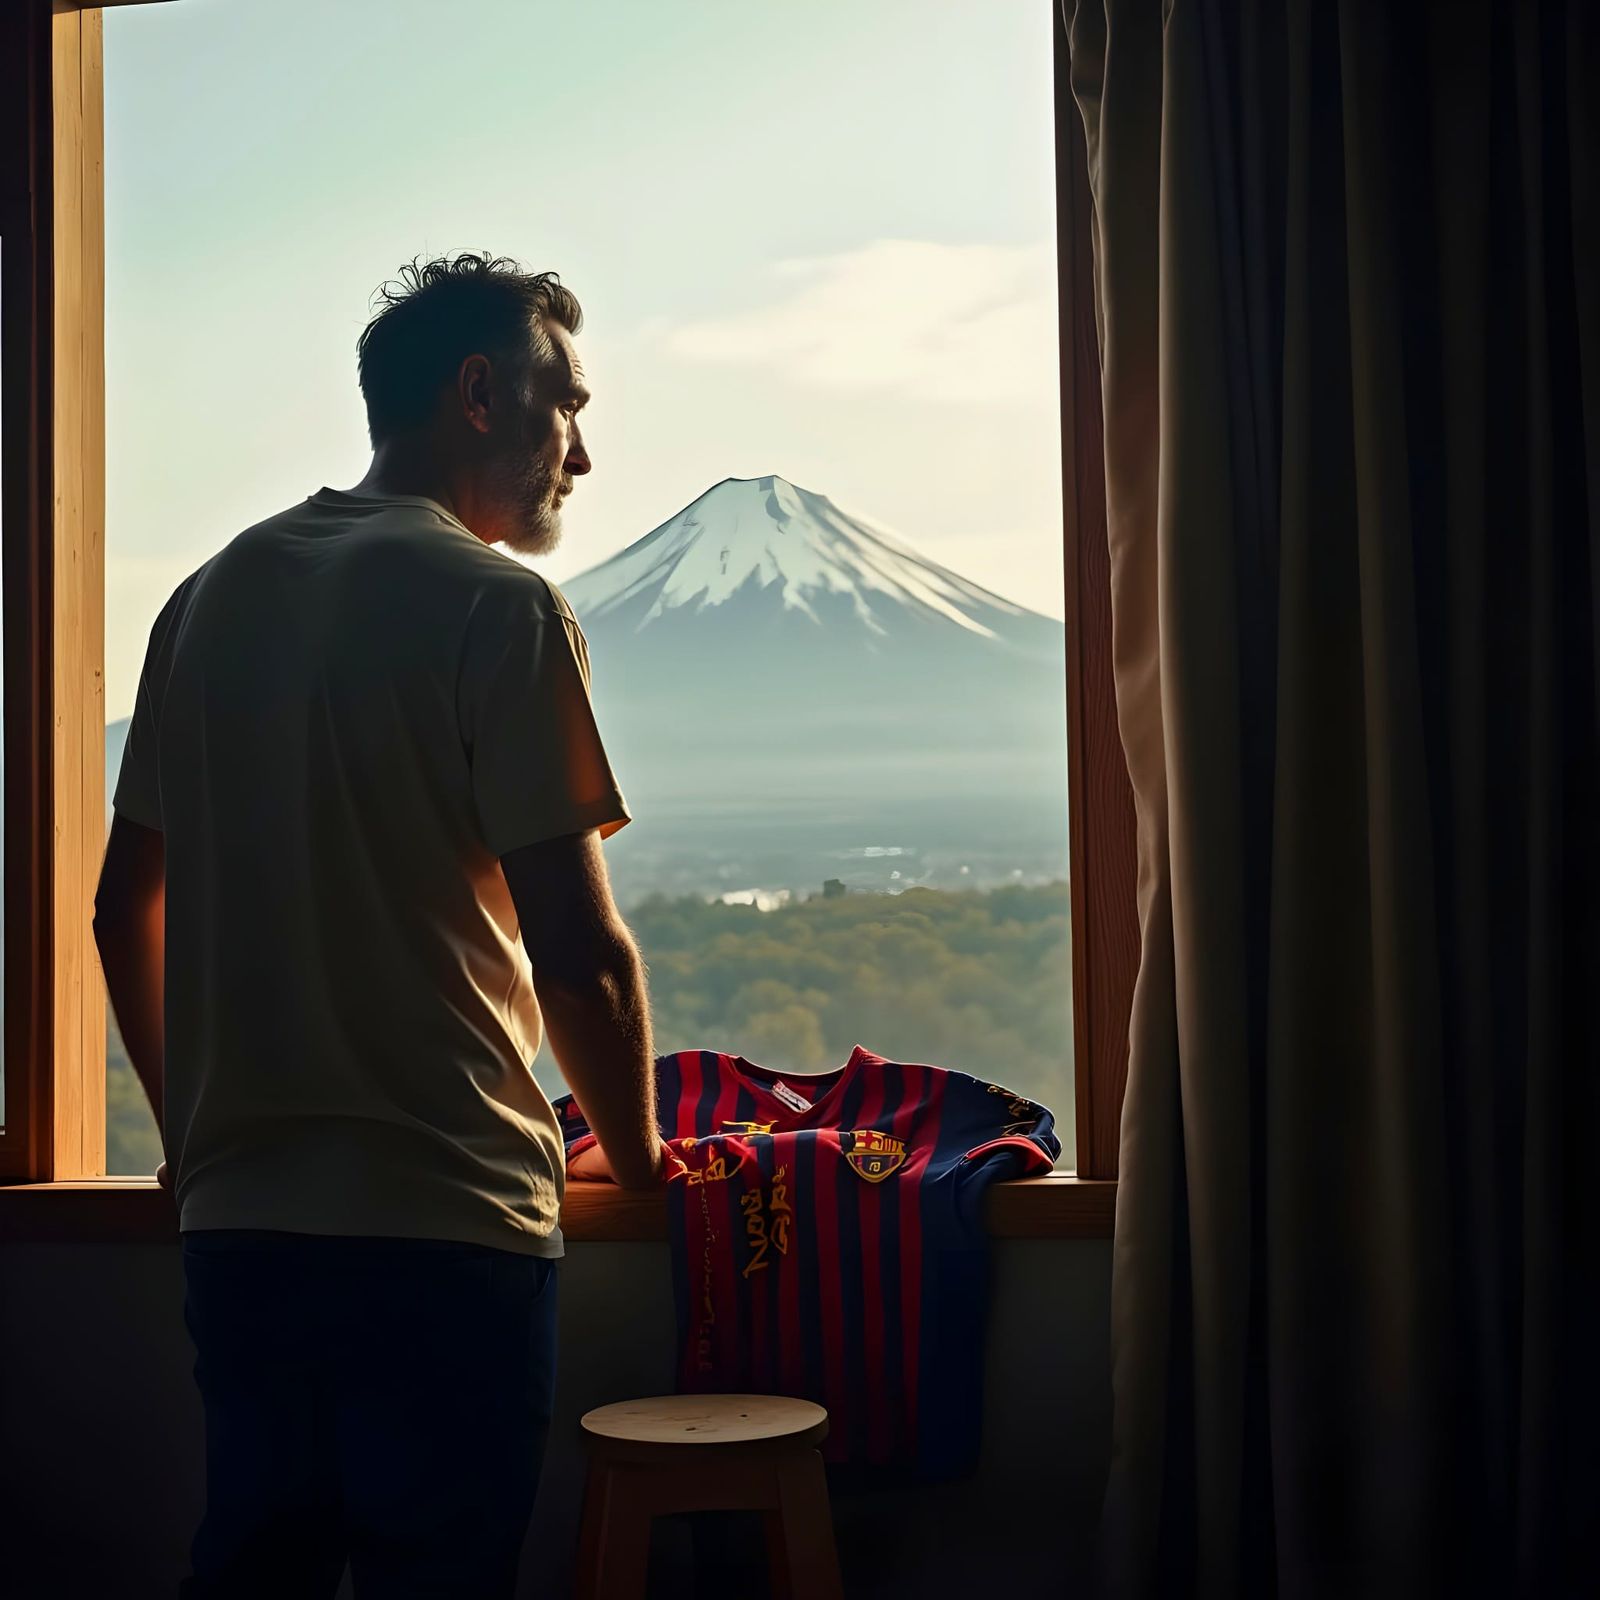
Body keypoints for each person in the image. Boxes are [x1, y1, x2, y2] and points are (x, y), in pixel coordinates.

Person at [91, 252, 668, 1599]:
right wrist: (637, 1166)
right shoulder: (500, 606)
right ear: (479, 394)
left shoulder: (208, 598)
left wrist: (196, 1143)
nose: (579, 454)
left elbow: (125, 906)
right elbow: (580, 958)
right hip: (446, 1229)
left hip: (243, 1236)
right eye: (564, 407)